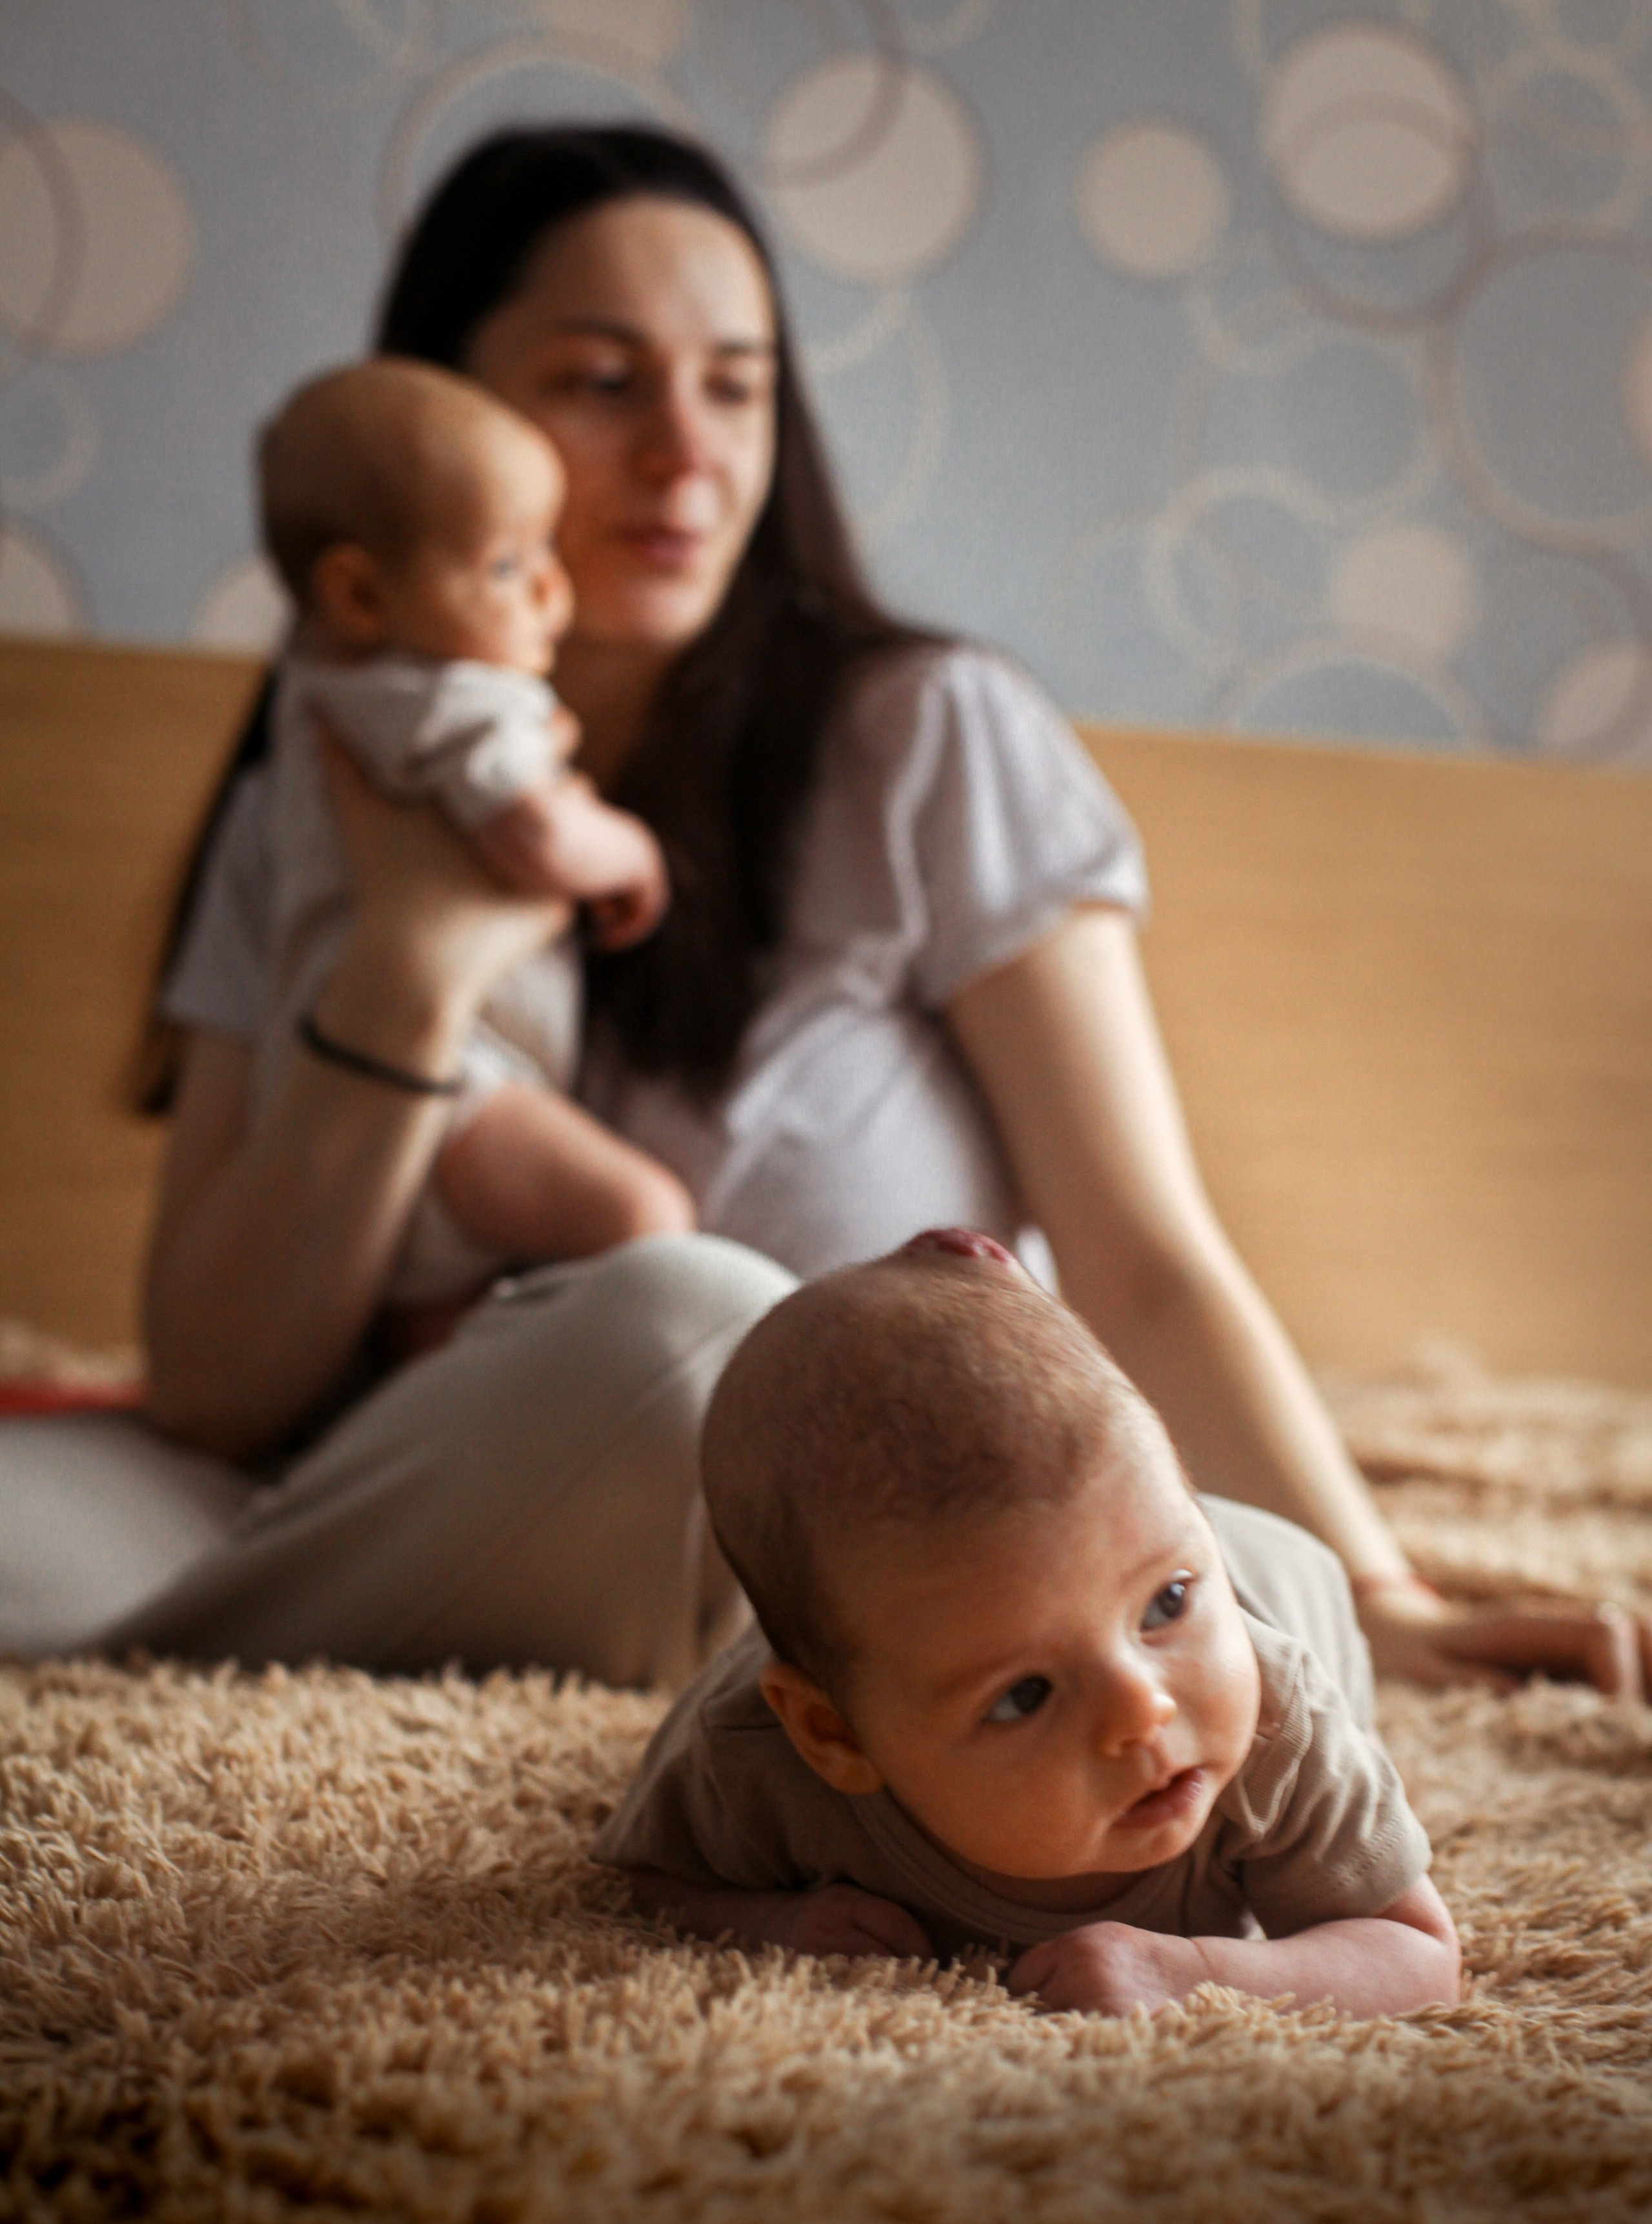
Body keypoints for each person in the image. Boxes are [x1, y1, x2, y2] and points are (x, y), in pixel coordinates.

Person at [3, 123, 1642, 1701]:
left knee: (712, 1335)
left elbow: (1138, 1261)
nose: (686, 453)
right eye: (599, 382)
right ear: (445, 414)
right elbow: (219, 1394)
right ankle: (225, 1635)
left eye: (735, 386)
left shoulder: (922, 732)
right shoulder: (327, 771)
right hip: (401, 1488)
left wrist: (1382, 1595)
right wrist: (411, 971)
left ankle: (207, 1644)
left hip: (850, 1523)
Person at [596, 1230, 1461, 2019]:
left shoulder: (1274, 1718)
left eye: (1165, 1605)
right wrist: (774, 1920)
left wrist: (1193, 1971)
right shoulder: (752, 1755)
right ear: (833, 1733)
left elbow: (1418, 1953)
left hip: (1277, 1566)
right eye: (1026, 1695)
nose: (1143, 1711)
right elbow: (645, 1880)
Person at [252, 357, 687, 1316]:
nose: (548, 592)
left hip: (361, 1105)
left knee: (449, 1344)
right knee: (646, 1216)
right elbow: (534, 832)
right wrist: (631, 852)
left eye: (544, 555)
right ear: (360, 597)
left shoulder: (320, 698)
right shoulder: (450, 698)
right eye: (505, 565)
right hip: (457, 1091)